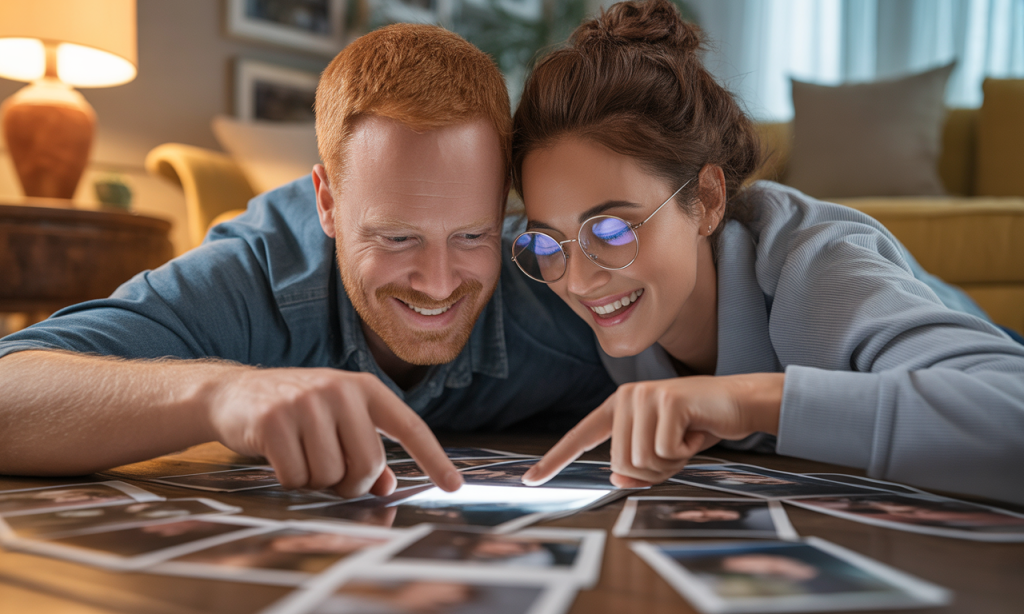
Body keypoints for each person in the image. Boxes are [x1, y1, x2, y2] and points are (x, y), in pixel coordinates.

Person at [0, 25, 613, 499]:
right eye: (397, 238)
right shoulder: (250, 278)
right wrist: (221, 393)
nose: (439, 282)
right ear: (326, 201)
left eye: (471, 235)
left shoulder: (551, 271)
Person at [515, 0, 1024, 504]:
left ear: (708, 200)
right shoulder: (633, 305)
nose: (578, 281)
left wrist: (745, 402)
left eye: (610, 231)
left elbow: (1011, 416)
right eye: (545, 241)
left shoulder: (822, 269)